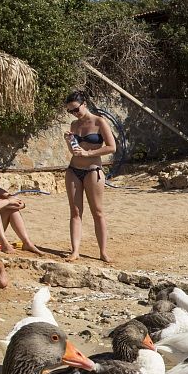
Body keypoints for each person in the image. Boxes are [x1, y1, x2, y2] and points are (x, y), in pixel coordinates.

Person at [62, 91, 116, 263]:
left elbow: (112, 147)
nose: (74, 113)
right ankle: (75, 250)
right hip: (73, 169)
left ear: (84, 103)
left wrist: (88, 153)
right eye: (70, 111)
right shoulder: (74, 124)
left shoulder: (99, 122)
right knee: (75, 211)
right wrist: (69, 142)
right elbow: (74, 150)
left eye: (76, 109)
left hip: (93, 169)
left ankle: (103, 251)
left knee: (97, 211)